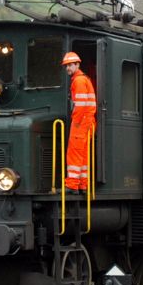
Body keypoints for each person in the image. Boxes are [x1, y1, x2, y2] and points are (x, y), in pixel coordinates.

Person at [61, 51, 96, 193]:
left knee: (74, 152)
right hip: (88, 121)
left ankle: (72, 185)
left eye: (70, 65)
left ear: (77, 65)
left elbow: (80, 104)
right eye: (66, 66)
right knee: (82, 154)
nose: (68, 68)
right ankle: (82, 184)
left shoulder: (79, 81)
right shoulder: (84, 79)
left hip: (81, 121)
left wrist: (75, 121)